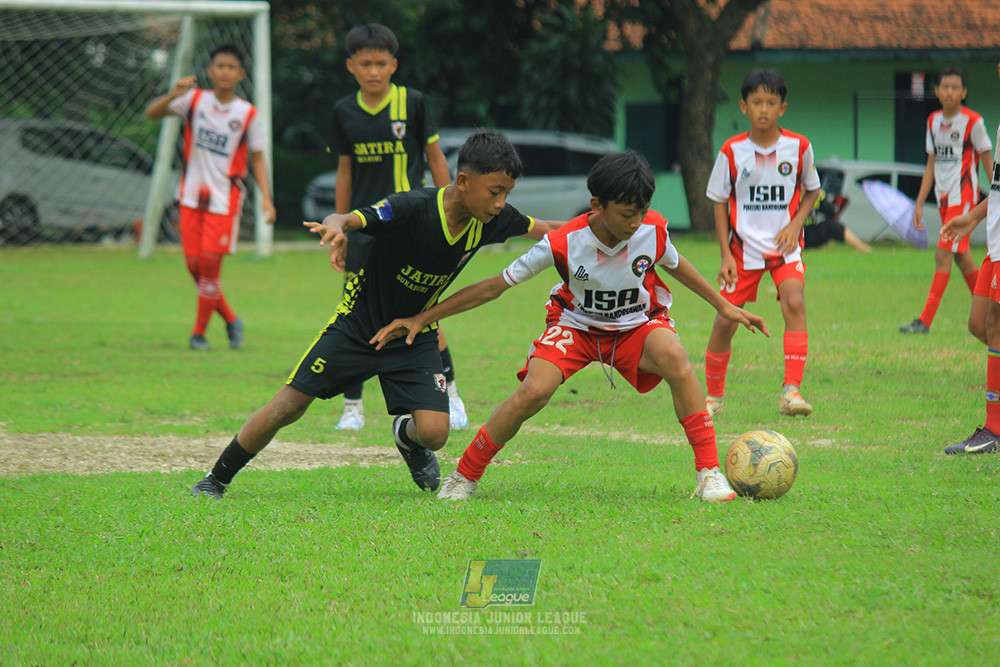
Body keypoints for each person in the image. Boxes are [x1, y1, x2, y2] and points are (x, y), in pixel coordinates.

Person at [371, 151, 770, 502]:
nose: (635, 222)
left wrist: (725, 306)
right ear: (597, 205)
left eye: (641, 212)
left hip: (636, 326)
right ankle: (464, 476)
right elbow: (495, 286)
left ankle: (709, 473)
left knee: (677, 359)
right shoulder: (564, 241)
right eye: (626, 213)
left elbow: (678, 266)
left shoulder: (653, 230)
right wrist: (425, 316)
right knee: (534, 391)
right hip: (576, 327)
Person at [190, 130, 561, 499]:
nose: (501, 202)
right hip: (359, 325)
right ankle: (216, 478)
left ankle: (406, 437)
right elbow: (352, 218)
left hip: (414, 333)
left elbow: (548, 231)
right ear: (463, 181)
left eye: (507, 194)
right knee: (289, 405)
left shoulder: (493, 220)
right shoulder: (413, 207)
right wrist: (336, 226)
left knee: (434, 433)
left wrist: (600, 228)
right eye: (495, 192)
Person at [329, 23, 465, 432]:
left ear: (394, 65)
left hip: (412, 226)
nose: (373, 71)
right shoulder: (344, 111)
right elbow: (345, 172)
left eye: (381, 63)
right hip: (367, 229)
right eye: (365, 63)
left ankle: (452, 397)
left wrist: (447, 208)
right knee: (353, 313)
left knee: (424, 315)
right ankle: (352, 409)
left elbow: (435, 156)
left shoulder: (414, 103)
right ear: (351, 66)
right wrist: (341, 231)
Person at [703, 69, 821, 418]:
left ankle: (791, 392)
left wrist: (796, 223)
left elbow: (812, 189)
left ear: (782, 108)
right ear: (744, 106)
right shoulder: (731, 151)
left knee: (795, 302)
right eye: (757, 102)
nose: (764, 109)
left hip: (785, 248)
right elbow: (719, 200)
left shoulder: (799, 147)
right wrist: (725, 253)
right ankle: (713, 398)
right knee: (725, 320)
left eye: (771, 102)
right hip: (743, 251)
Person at [145, 42, 276, 351]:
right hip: (190, 196)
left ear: (240, 74)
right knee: (195, 267)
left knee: (208, 265)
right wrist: (174, 94)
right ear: (210, 70)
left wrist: (267, 199)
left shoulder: (246, 113)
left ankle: (198, 334)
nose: (225, 72)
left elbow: (258, 157)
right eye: (220, 66)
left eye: (231, 67)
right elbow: (152, 114)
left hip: (224, 200)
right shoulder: (194, 100)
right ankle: (231, 319)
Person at [900, 66, 992, 334]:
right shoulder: (932, 121)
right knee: (962, 258)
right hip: (943, 200)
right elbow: (930, 165)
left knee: (942, 255)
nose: (949, 92)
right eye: (945, 87)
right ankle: (990, 311)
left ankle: (924, 321)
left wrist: (996, 198)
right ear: (937, 91)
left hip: (963, 199)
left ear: (964, 92)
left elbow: (988, 163)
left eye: (955, 87)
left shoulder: (974, 122)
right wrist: (918, 202)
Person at [939, 63, 1000, 454]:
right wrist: (974, 217)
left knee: (994, 322)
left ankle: (993, 430)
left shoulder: (976, 124)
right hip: (995, 240)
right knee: (980, 323)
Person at [802, 188, 871, 252]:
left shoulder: (816, 194)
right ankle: (860, 247)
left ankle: (860, 246)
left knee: (832, 225)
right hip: (796, 234)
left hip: (810, 233)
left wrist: (822, 199)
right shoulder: (793, 195)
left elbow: (831, 213)